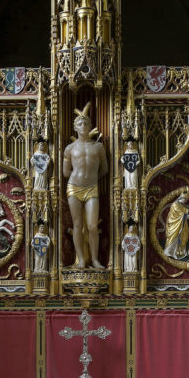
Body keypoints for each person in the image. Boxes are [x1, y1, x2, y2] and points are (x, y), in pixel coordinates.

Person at [63, 102, 108, 268]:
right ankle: (81, 259)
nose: (83, 126)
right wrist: (79, 177)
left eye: (86, 123)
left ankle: (95, 260)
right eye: (79, 123)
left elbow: (104, 170)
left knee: (92, 225)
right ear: (75, 127)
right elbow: (65, 172)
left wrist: (90, 178)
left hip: (92, 188)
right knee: (77, 224)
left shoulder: (98, 147)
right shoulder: (69, 148)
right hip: (74, 187)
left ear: (90, 126)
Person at [163, 191, 189, 259]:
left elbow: (188, 211)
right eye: (185, 199)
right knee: (174, 238)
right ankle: (169, 252)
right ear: (181, 198)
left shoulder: (180, 205)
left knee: (182, 237)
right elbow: (181, 215)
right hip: (174, 225)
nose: (186, 201)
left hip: (181, 224)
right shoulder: (175, 205)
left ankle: (182, 253)